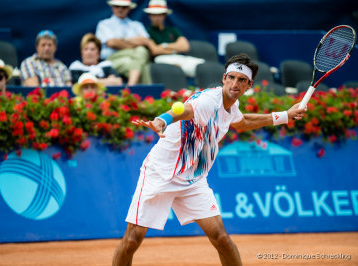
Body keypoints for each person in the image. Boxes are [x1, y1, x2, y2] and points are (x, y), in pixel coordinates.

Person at [113, 53, 306, 266]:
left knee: (222, 238)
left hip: (193, 180)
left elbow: (242, 122)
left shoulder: (232, 106)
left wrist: (285, 116)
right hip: (160, 174)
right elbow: (184, 110)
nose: (235, 84)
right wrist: (162, 120)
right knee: (132, 239)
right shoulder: (207, 102)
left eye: (241, 80)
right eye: (231, 78)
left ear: (248, 85)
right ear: (224, 78)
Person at [95, 0, 151, 86]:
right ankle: (144, 94)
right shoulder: (104, 24)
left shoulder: (136, 24)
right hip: (112, 59)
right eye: (117, 6)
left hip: (134, 57)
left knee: (140, 55)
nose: (120, 9)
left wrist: (123, 40)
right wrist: (134, 42)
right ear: (112, 7)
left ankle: (130, 88)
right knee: (143, 65)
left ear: (129, 8)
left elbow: (145, 41)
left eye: (124, 7)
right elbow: (112, 43)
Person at [144, 0, 205, 77]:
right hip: (160, 59)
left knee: (202, 64)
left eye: (160, 15)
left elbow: (185, 46)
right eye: (154, 15)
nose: (157, 18)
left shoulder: (173, 30)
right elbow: (155, 51)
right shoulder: (146, 31)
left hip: (177, 57)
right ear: (149, 16)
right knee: (176, 67)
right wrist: (176, 47)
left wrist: (164, 46)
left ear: (165, 15)